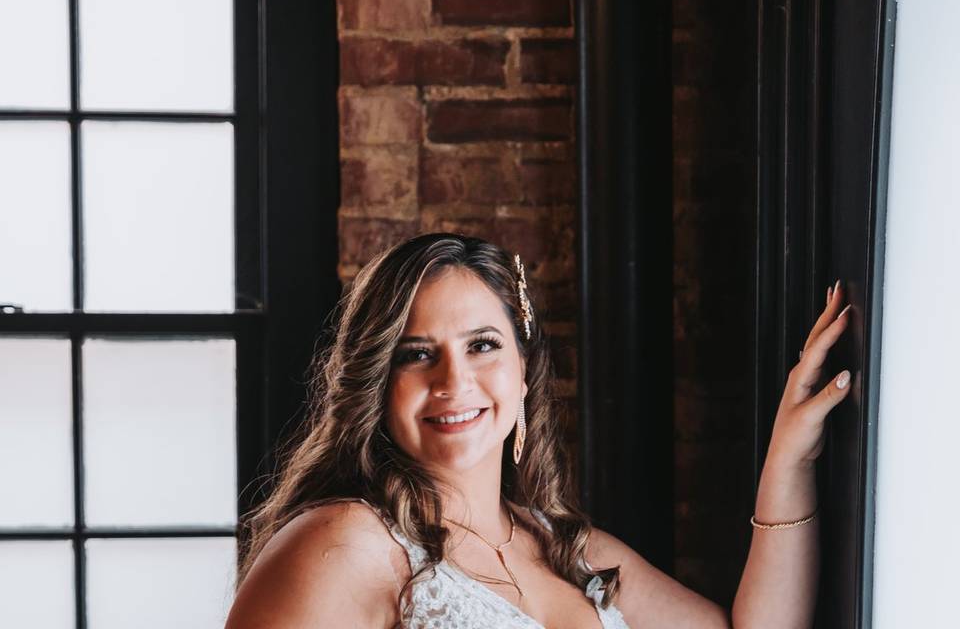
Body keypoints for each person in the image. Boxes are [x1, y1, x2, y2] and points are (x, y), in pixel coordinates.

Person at [224, 233, 852, 628]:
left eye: (482, 345)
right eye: (416, 354)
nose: (454, 381)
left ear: (523, 372)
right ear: (377, 386)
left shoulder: (571, 550)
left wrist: (788, 462)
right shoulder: (344, 544)